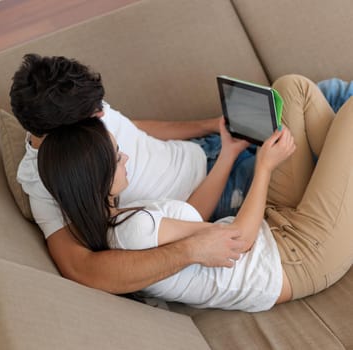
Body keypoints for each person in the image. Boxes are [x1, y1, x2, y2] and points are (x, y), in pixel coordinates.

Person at [37, 74, 353, 310]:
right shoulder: (135, 228)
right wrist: (264, 168)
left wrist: (228, 153)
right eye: (118, 157)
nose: (127, 158)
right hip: (298, 257)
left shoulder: (120, 220)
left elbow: (195, 216)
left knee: (292, 89)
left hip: (275, 230)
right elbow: (238, 243)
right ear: (98, 179)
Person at [10, 54, 252, 293]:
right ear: (66, 139)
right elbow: (82, 269)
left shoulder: (79, 106)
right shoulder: (44, 184)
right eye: (94, 114)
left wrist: (213, 126)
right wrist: (189, 250)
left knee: (283, 98)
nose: (102, 113)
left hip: (209, 147)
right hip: (220, 187)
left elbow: (135, 129)